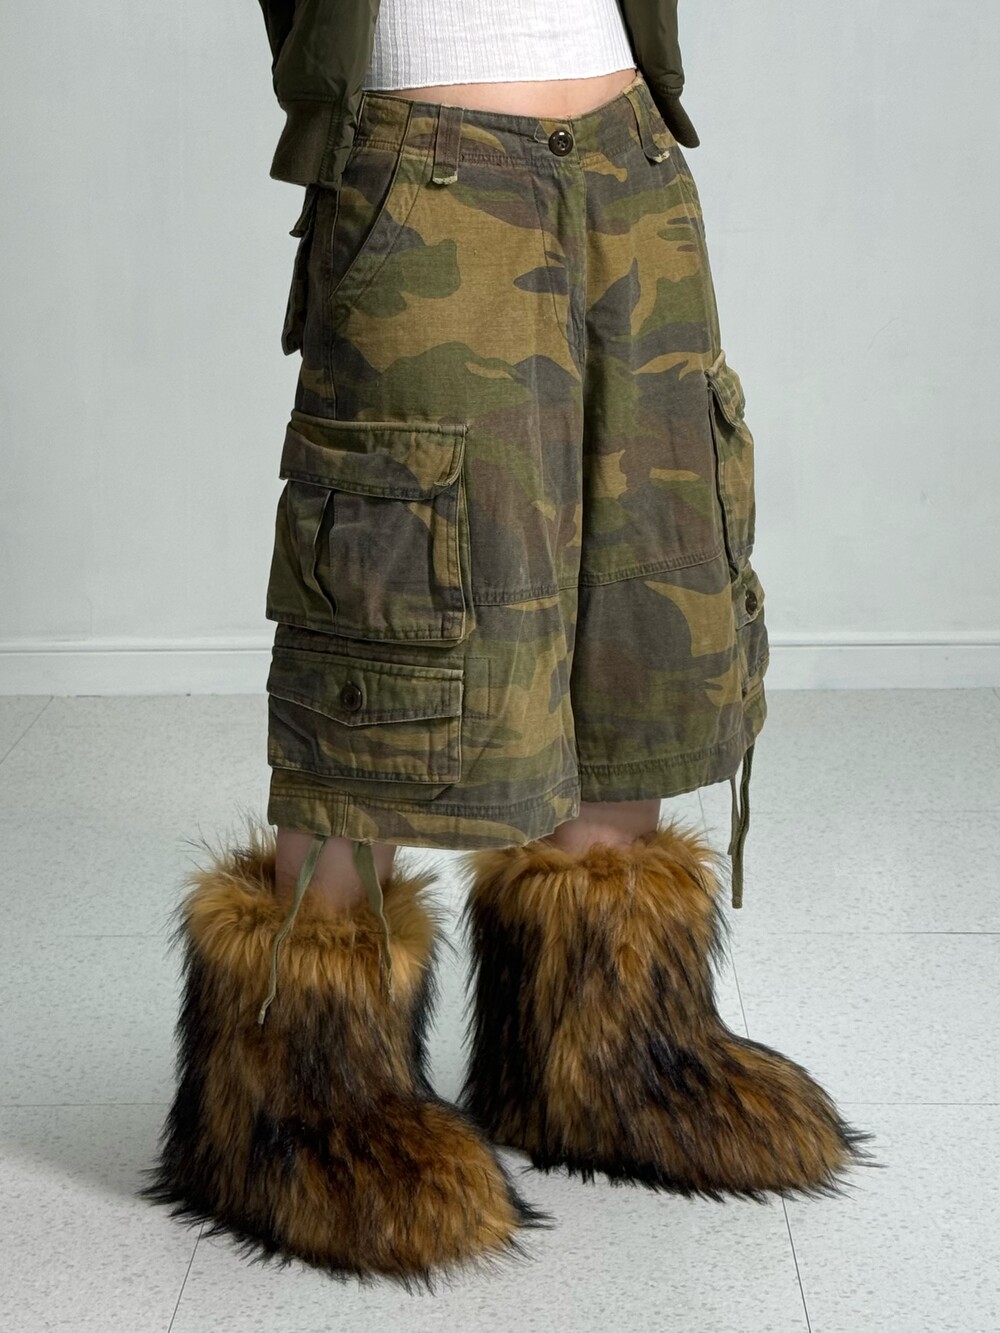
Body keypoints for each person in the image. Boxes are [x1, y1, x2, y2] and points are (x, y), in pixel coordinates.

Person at [143, 0, 873, 1284]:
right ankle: (296, 1097)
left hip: (631, 157)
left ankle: (603, 1054)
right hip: (423, 161)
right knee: (397, 604)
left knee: (639, 593)